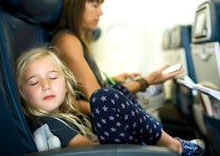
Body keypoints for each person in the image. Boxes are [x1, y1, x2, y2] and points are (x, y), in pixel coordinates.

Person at [16, 47, 205, 155]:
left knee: (111, 93)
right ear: (22, 94)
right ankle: (175, 146)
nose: (46, 85)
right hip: (108, 151)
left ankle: (167, 141)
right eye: (34, 82)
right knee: (102, 98)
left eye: (53, 77)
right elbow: (90, 151)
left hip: (110, 147)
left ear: (66, 85)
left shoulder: (63, 114)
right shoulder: (51, 123)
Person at [51, 0, 183, 116]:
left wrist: (112, 79)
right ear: (77, 6)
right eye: (95, 5)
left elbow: (82, 85)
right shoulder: (68, 40)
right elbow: (97, 97)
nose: (101, 12)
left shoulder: (75, 39)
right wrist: (146, 81)